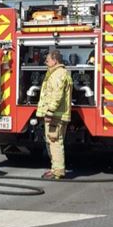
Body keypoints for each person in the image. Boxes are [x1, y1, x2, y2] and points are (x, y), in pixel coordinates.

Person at [35, 49, 72, 180]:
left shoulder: (58, 74)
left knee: (55, 141)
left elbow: (57, 95)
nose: (46, 62)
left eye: (48, 60)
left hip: (56, 115)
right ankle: (55, 169)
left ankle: (57, 171)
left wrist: (50, 111)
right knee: (54, 141)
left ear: (55, 60)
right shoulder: (58, 73)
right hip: (58, 114)